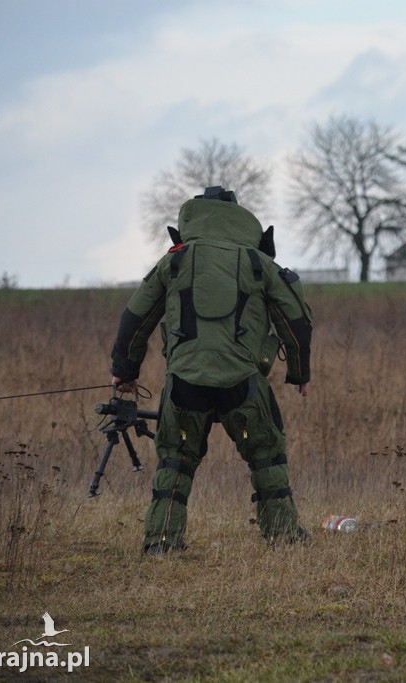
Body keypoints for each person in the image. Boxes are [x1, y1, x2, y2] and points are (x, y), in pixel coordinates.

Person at [109, 186, 313, 553]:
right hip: (243, 382)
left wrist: (125, 371)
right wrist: (299, 373)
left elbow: (136, 318)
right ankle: (282, 536)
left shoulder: (174, 259)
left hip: (185, 382)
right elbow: (296, 320)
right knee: (265, 451)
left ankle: (162, 541)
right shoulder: (258, 262)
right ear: (240, 221)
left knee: (175, 456)